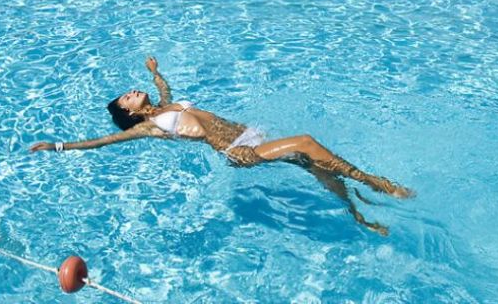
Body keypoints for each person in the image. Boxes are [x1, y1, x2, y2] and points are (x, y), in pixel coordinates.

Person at [30, 58, 414, 234]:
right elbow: (101, 142)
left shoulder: (164, 106)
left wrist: (155, 72)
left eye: (130, 91)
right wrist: (58, 146)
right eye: (126, 98)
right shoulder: (149, 128)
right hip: (241, 153)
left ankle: (356, 213)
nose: (130, 92)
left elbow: (165, 89)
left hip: (252, 137)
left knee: (316, 164)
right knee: (306, 142)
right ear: (129, 113)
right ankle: (377, 183)